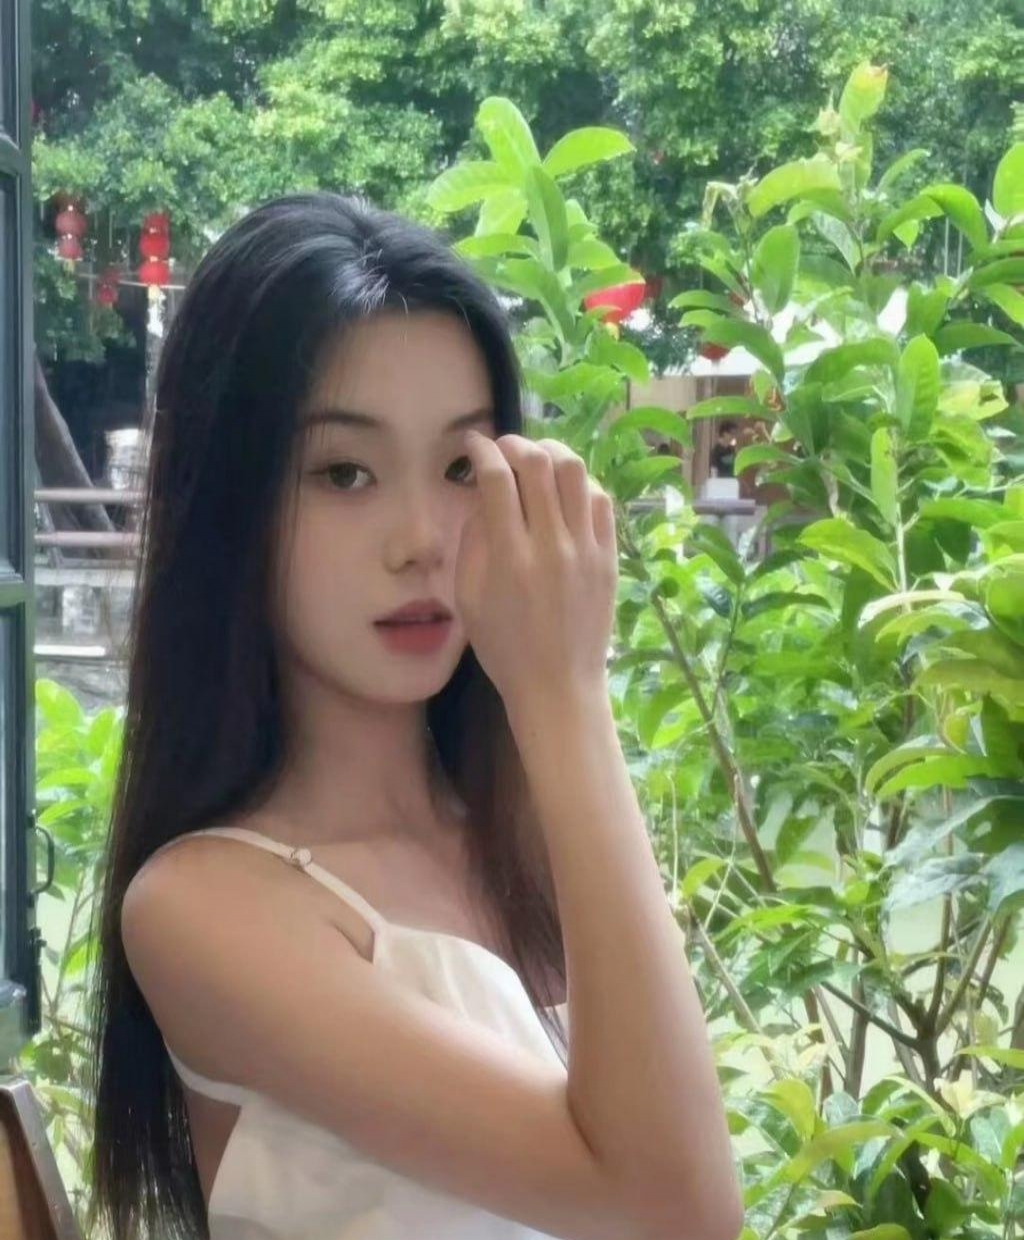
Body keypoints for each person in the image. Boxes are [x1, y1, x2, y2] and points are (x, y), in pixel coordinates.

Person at [89, 192, 743, 1240]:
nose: (422, 541)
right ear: (231, 501)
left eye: (459, 468)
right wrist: (562, 692)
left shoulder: (521, 823)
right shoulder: (201, 907)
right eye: (344, 473)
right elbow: (675, 1207)